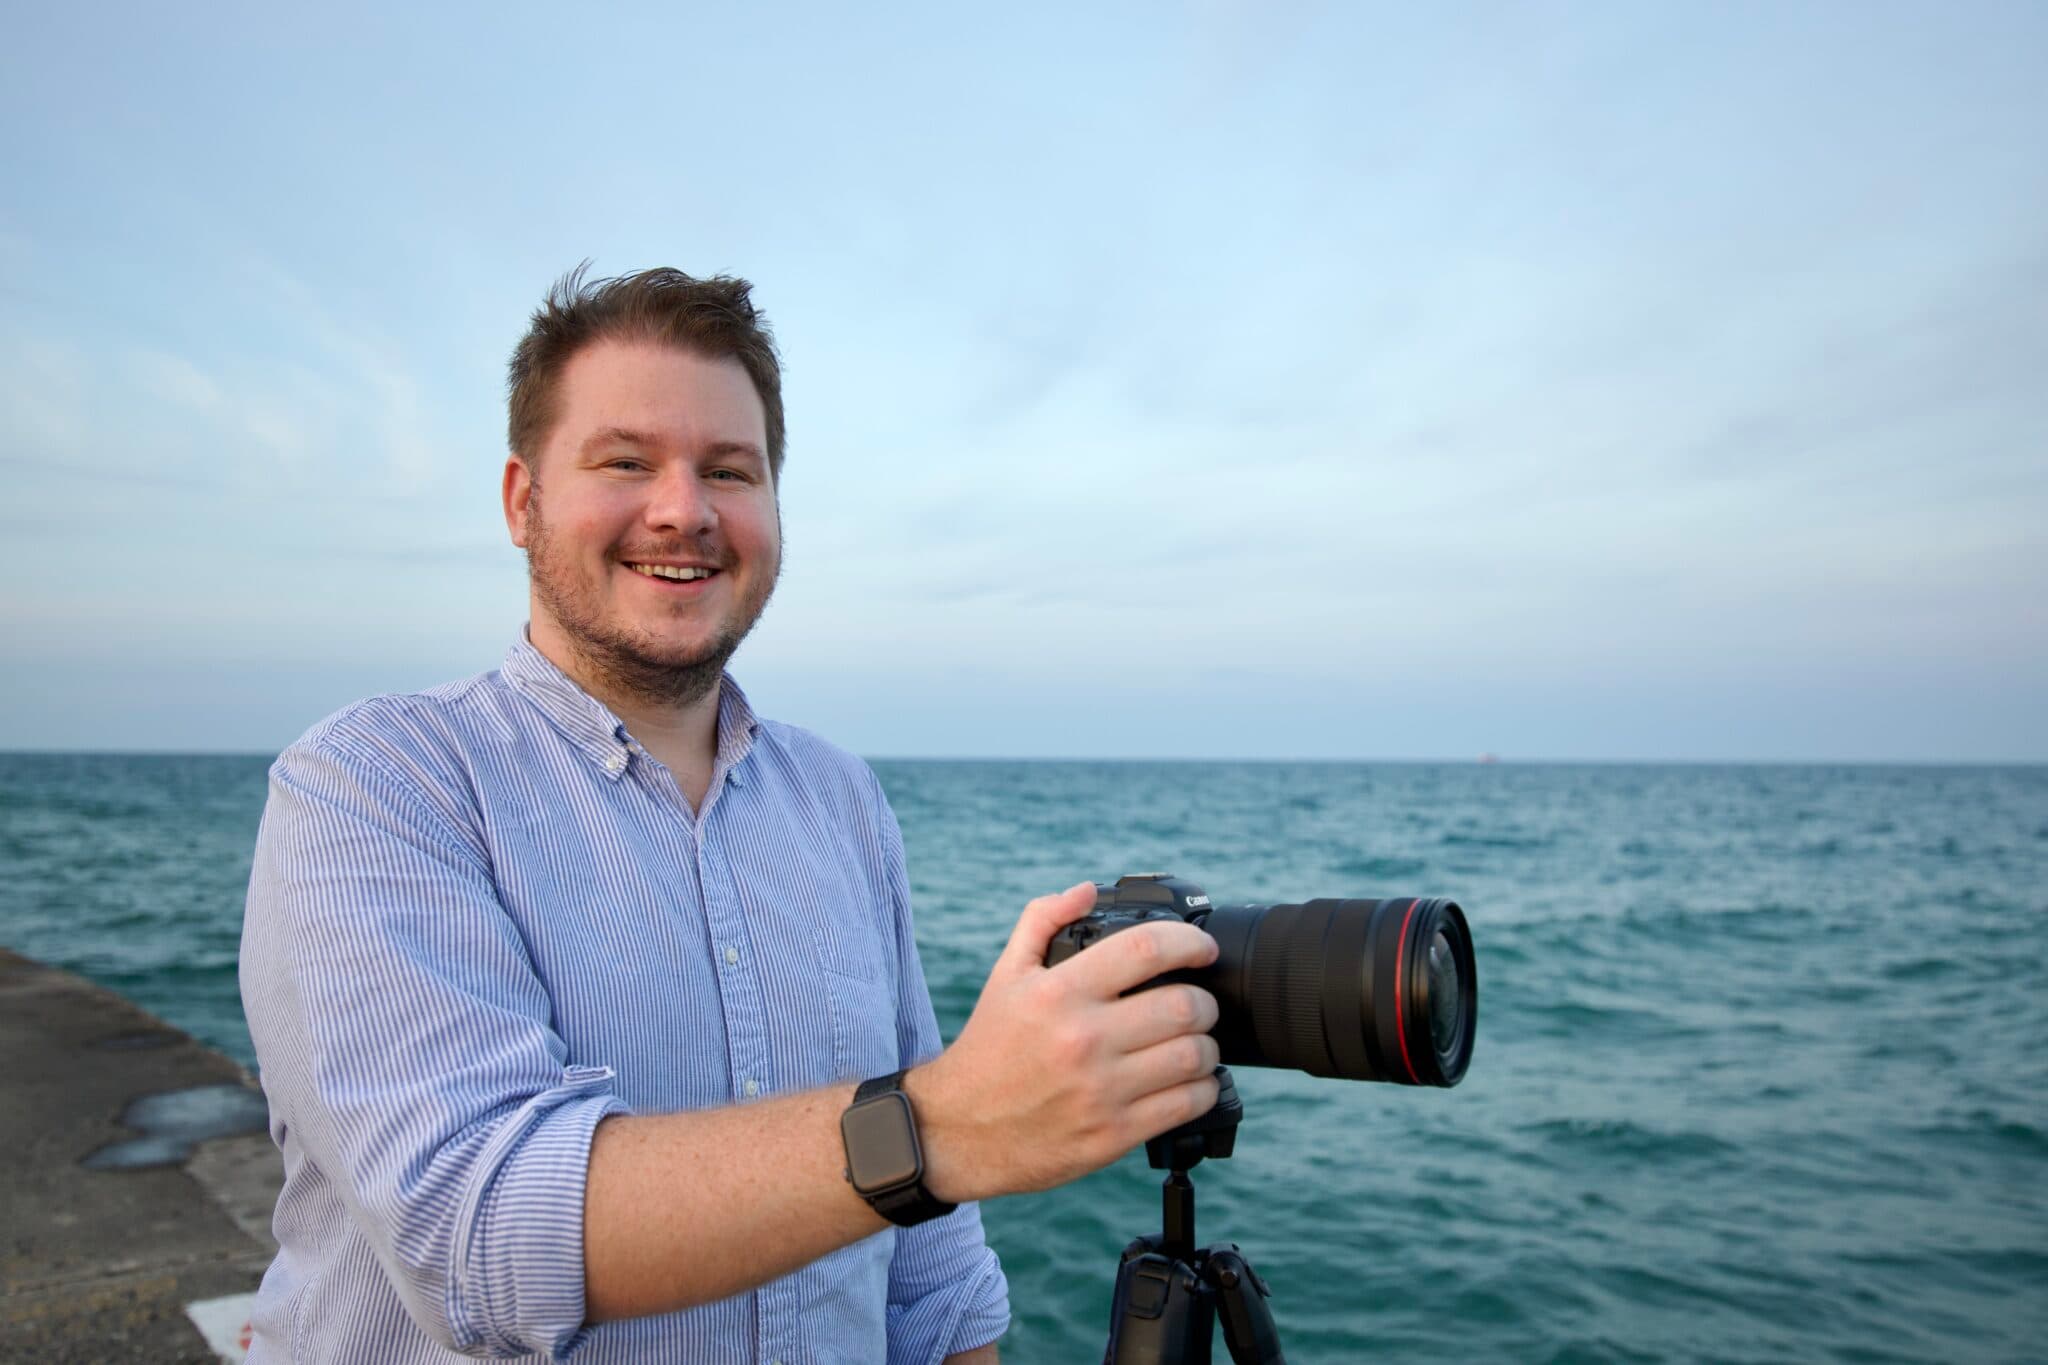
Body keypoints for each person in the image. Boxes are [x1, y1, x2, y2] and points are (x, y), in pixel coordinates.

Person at [239, 267, 1224, 1363]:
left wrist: (949, 1141)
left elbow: (931, 1272)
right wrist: (942, 1124)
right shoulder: (376, 783)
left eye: (728, 471)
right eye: (624, 461)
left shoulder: (841, 801)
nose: (684, 510)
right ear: (521, 501)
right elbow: (480, 1235)